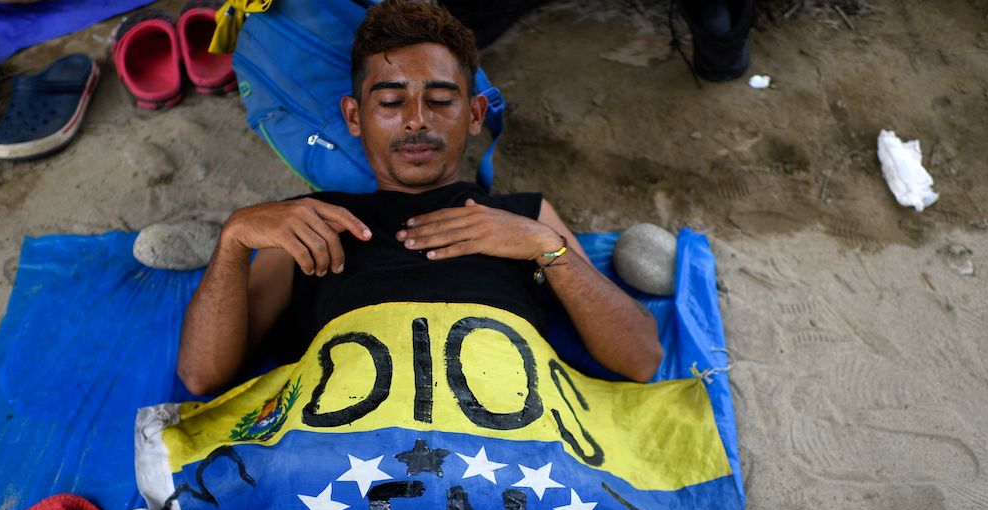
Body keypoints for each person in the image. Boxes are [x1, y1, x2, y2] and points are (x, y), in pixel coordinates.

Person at [177, 0, 662, 396]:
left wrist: (546, 247)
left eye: (440, 100)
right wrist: (235, 238)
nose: (416, 120)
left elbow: (641, 359)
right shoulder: (311, 223)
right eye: (390, 102)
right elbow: (203, 376)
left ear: (474, 114)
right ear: (353, 116)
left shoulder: (525, 219)